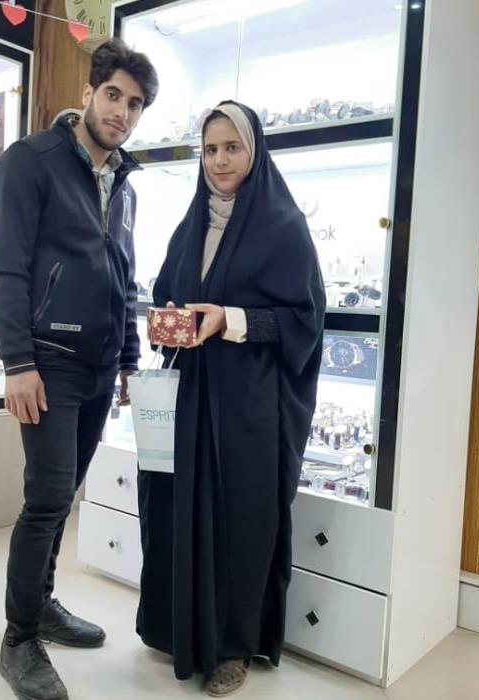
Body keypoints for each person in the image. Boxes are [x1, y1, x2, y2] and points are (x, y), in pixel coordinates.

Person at [0, 39, 158, 700]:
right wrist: (17, 362)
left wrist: (129, 358)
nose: (121, 112)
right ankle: (19, 638)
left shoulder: (124, 186)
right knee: (47, 497)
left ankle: (43, 605)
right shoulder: (32, 161)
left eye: (134, 104)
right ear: (88, 93)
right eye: (112, 95)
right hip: (46, 362)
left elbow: (123, 277)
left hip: (98, 368)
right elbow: (5, 268)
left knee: (66, 495)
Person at [136, 101, 325, 696]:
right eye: (210, 149)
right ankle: (178, 628)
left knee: (240, 519)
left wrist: (231, 319)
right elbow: (166, 293)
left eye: (231, 148)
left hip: (248, 407)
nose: (219, 161)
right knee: (177, 508)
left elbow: (303, 321)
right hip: (189, 399)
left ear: (254, 151)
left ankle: (233, 646)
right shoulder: (190, 224)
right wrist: (165, 320)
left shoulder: (283, 227)